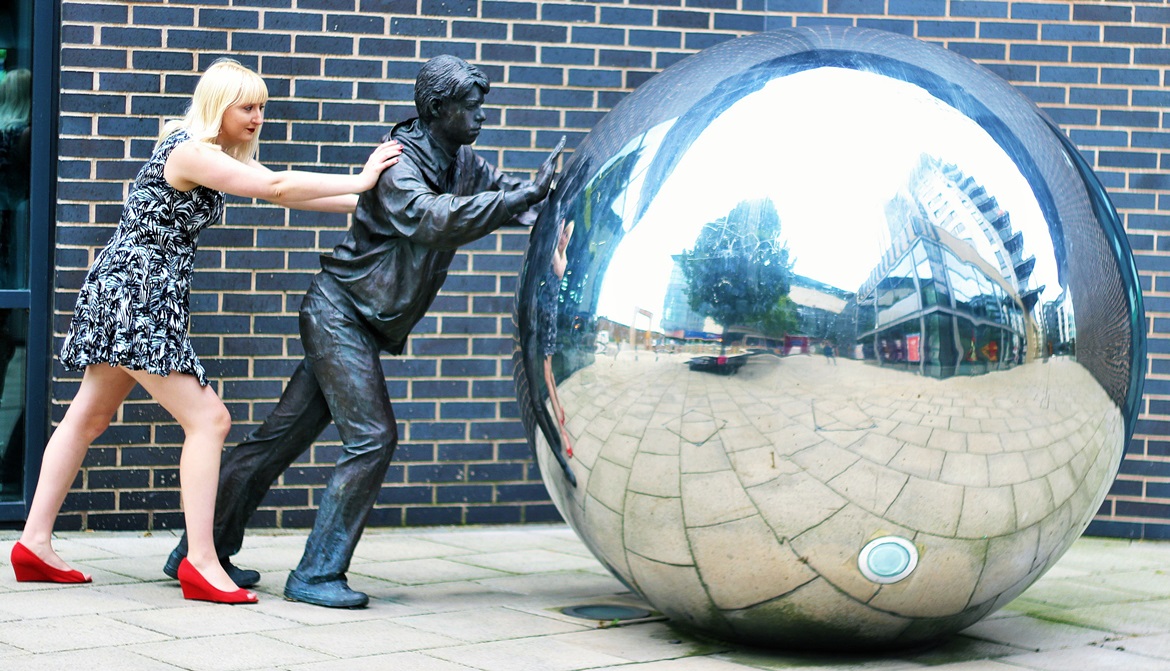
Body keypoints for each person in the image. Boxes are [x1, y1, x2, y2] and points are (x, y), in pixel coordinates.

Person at [163, 54, 563, 608]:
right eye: (471, 108)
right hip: (340, 314)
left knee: (277, 440)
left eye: (482, 107)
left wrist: (557, 203)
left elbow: (507, 200)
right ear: (438, 108)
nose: (481, 117)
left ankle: (197, 549)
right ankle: (316, 575)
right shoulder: (401, 163)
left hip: (362, 322)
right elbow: (434, 220)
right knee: (373, 437)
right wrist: (520, 198)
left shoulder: (463, 161)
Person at [10, 59, 402, 605]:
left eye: (262, 106)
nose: (258, 116)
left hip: (128, 290)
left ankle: (33, 543)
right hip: (138, 296)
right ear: (220, 106)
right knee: (210, 419)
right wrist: (362, 178)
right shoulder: (189, 150)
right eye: (248, 106)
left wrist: (381, 205)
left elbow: (293, 191)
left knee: (89, 415)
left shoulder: (199, 151)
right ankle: (201, 560)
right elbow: (278, 187)